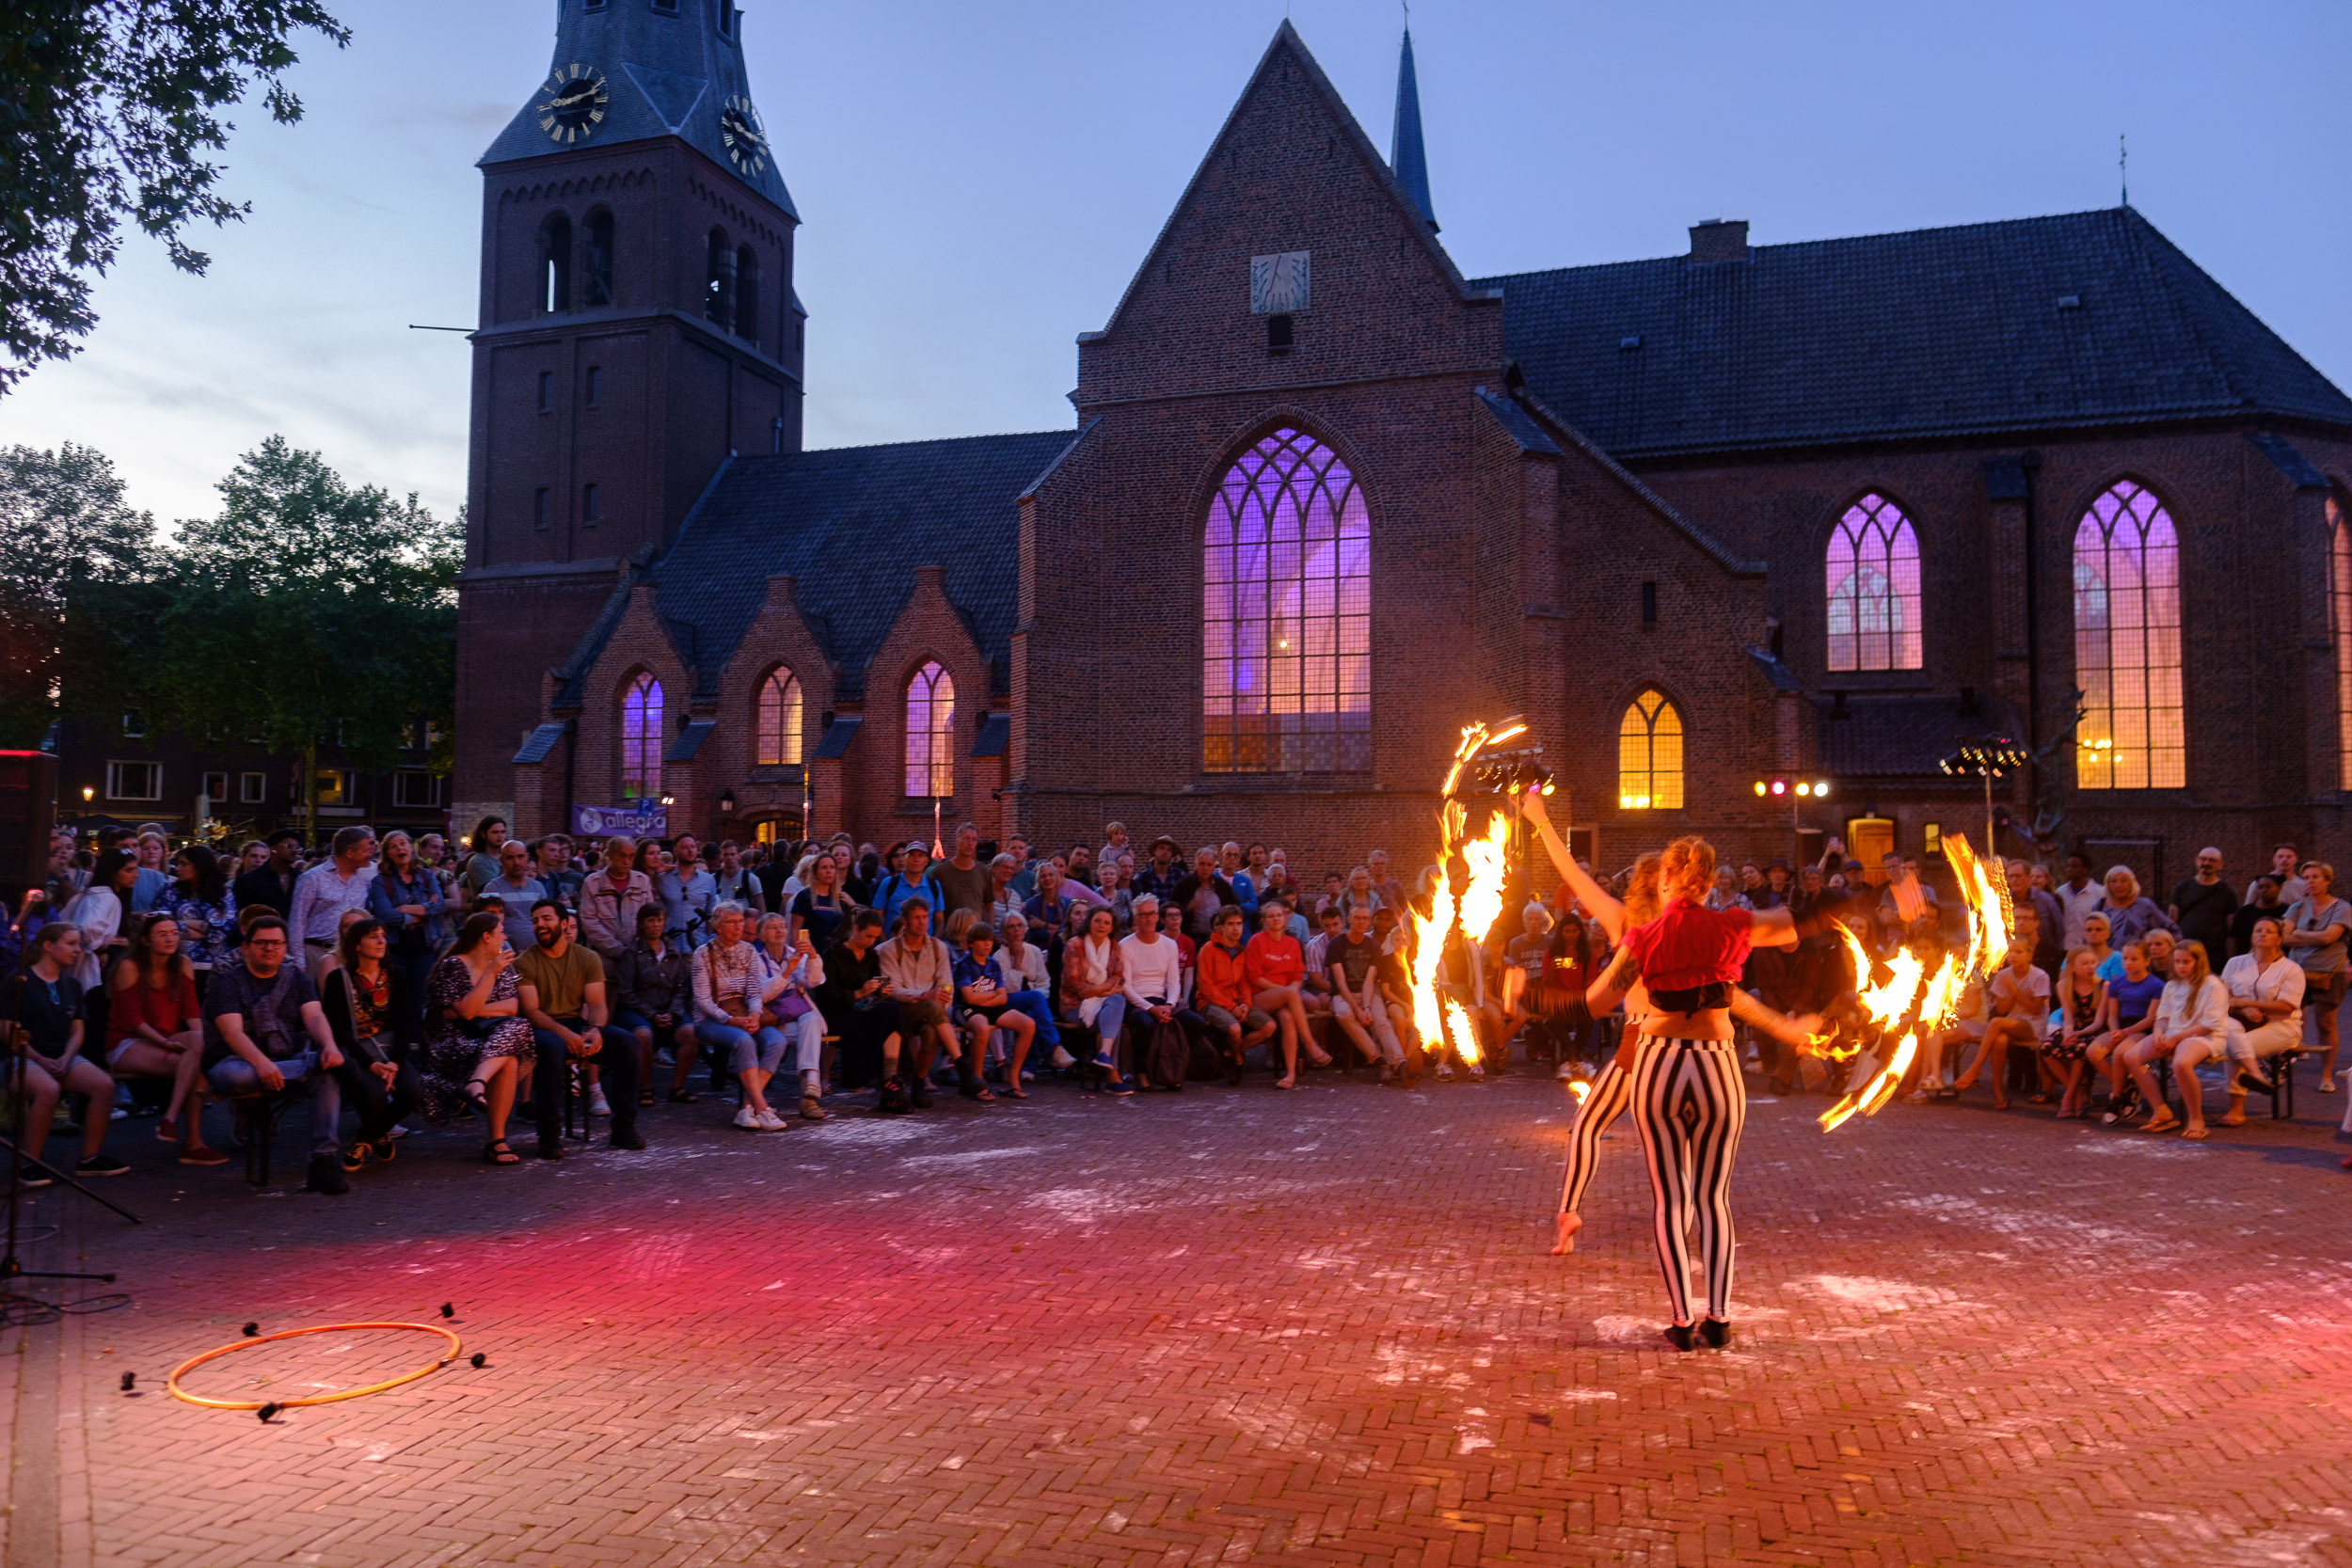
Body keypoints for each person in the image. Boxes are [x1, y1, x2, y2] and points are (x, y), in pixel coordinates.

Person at [1581, 834, 1804, 1350]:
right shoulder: (1732, 923)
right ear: (1710, 884)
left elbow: (1592, 1004)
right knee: (1713, 1199)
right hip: (1717, 1066)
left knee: (1669, 1199)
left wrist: (1530, 997)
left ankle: (1682, 1321)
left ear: (1664, 880)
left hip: (1659, 1064)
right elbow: (1793, 924)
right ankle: (1720, 1318)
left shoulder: (1643, 936)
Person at [200, 914, 357, 1195]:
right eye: (261, 942)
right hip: (237, 1064)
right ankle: (311, 1067)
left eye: (276, 943)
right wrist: (261, 1064)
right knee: (237, 1075)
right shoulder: (227, 983)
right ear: (246, 947)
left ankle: (323, 1162)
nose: (269, 948)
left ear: (285, 947)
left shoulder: (296, 978)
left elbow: (315, 1017)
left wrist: (330, 1046)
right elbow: (232, 1033)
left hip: (286, 1059)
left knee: (327, 1074)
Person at [516, 898, 644, 1151]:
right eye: (535, 921)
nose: (539, 925)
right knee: (551, 1048)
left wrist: (595, 1030)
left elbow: (596, 1003)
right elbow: (531, 1012)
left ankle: (623, 1128)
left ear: (564, 924)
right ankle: (549, 1134)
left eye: (546, 919)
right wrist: (566, 1035)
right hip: (543, 1029)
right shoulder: (524, 962)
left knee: (627, 1043)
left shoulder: (587, 957)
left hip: (577, 1023)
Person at [5, 925, 130, 1183]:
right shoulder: (18, 980)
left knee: (103, 1085)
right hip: (22, 1056)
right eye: (71, 944)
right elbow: (7, 1031)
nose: (77, 950)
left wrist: (66, 1056)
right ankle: (30, 1164)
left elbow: (77, 1028)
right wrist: (40, 1059)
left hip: (61, 1055)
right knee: (48, 1090)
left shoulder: (71, 984)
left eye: (78, 944)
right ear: (49, 946)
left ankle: (89, 1159)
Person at [413, 911, 532, 1163]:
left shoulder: (501, 964)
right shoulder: (454, 965)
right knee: (508, 1056)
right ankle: (496, 1141)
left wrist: (471, 1010)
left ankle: (477, 1086)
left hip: (486, 1038)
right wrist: (488, 976)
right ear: (486, 937)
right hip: (448, 1044)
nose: (505, 936)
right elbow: (465, 1013)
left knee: (519, 1026)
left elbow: (511, 1006)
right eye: (501, 932)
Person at [104, 914, 225, 1164]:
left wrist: (199, 1042)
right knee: (196, 1070)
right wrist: (165, 1043)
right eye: (162, 934)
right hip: (127, 1041)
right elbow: (133, 1021)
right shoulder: (130, 966)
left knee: (197, 1044)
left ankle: (180, 1129)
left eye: (174, 933)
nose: (170, 938)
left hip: (166, 1039)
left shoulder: (182, 963)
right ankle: (185, 1134)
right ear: (146, 940)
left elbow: (192, 1011)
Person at [318, 919, 423, 1174]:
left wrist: (395, 1063)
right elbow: (339, 1029)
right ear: (356, 945)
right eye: (373, 937)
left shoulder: (396, 976)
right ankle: (381, 1135)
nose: (381, 941)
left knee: (412, 1091)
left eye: (383, 935)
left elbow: (404, 1023)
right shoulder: (339, 979)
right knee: (372, 1093)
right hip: (357, 1049)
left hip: (390, 1049)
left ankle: (366, 1137)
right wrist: (369, 1063)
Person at [2117, 941, 2232, 1137]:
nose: (2180, 966)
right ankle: (2161, 1110)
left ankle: (2196, 1118)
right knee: (2130, 1057)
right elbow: (2163, 1017)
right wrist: (2160, 1032)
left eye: (2186, 962)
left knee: (2181, 1063)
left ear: (2199, 961)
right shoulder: (2172, 985)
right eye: (2177, 962)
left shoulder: (2213, 985)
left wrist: (2176, 1037)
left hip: (2204, 1036)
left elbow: (2208, 1024)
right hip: (2173, 1034)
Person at [2211, 917, 2303, 1128]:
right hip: (2241, 1022)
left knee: (2239, 1048)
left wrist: (2252, 1003)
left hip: (2282, 1026)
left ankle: (2236, 1109)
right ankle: (2256, 1076)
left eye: (2269, 931)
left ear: (2279, 939)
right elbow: (2221, 996)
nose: (2263, 934)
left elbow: (2287, 1006)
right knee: (2236, 1039)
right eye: (2258, 930)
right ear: (2252, 936)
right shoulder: (2236, 963)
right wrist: (2243, 1007)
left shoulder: (2291, 969)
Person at [612, 904, 699, 1104]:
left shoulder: (672, 951)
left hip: (668, 1010)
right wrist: (652, 1015)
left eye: (659, 920)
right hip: (637, 1011)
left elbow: (681, 988)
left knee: (691, 1034)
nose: (656, 925)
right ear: (642, 924)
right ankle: (645, 1088)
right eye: (651, 920)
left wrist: (672, 1012)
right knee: (643, 1035)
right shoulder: (631, 953)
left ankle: (677, 1087)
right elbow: (626, 992)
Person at [878, 897, 959, 1106]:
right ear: (905, 921)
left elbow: (946, 985)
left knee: (932, 1030)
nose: (922, 922)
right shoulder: (888, 949)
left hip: (931, 1012)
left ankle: (919, 1083)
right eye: (916, 918)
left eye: (925, 917)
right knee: (932, 1007)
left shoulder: (937, 947)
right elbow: (894, 991)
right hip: (902, 1010)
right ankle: (961, 1064)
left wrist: (939, 1005)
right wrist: (924, 995)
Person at [1952, 940, 2049, 1111]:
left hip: (2033, 1026)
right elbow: (2002, 1009)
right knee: (2000, 1041)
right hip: (2009, 1022)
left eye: (2018, 952)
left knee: (1996, 1022)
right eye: (2010, 952)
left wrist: (2014, 990)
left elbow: (2035, 1009)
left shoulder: (2040, 976)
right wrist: (2013, 991)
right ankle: (1999, 1095)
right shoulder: (2004, 975)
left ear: (2029, 955)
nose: (2013, 956)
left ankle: (1975, 1068)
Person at [750, 912, 829, 1119]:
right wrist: (787, 972)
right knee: (809, 1030)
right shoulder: (755, 961)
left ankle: (810, 1084)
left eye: (783, 926)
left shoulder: (795, 953)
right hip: (773, 1021)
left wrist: (812, 956)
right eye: (772, 927)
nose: (779, 930)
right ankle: (809, 1097)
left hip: (796, 1019)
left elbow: (813, 981)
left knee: (811, 1019)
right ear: (761, 935)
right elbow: (762, 995)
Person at [814, 909, 901, 1096]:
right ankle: (856, 1076)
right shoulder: (834, 955)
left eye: (875, 937)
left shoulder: (871, 956)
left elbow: (874, 991)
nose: (871, 941)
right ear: (856, 929)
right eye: (868, 936)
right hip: (837, 1011)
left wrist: (881, 992)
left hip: (863, 1008)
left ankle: (889, 1075)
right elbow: (827, 997)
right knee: (863, 1022)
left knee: (892, 1010)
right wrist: (859, 992)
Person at [2280, 863, 2348, 1091]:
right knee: (2284, 1019)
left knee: (2326, 1023)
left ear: (2327, 880)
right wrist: (2306, 936)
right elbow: (2285, 939)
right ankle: (2279, 1070)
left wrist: (2299, 934)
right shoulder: (2297, 908)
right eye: (2306, 877)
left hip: (2330, 971)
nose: (2310, 881)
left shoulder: (2342, 907)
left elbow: (2330, 937)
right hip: (2296, 972)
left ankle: (2326, 1076)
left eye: (2315, 877)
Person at [1118, 895, 1199, 1085]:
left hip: (1163, 1000)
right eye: (1143, 914)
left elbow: (1173, 981)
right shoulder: (1125, 945)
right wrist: (1151, 1009)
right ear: (1135, 918)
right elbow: (1126, 986)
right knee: (1146, 1024)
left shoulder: (1169, 944)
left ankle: (1174, 1066)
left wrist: (1170, 1004)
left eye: (1151, 913)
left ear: (1157, 916)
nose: (1147, 918)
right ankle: (1142, 1071)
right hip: (1136, 1001)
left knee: (1196, 1023)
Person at [1244, 899, 1321, 1086]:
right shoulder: (1257, 941)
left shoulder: (1293, 943)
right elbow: (1254, 977)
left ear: (1286, 918)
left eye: (1279, 915)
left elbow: (1298, 976)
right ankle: (1310, 1044)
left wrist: (1290, 992)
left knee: (1287, 1018)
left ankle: (1290, 1074)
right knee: (1291, 995)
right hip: (1261, 996)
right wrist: (1285, 992)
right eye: (1271, 916)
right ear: (1264, 921)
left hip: (1285, 998)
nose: (1276, 919)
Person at [1197, 905, 1276, 1085]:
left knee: (1269, 1026)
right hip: (1210, 1003)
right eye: (1230, 924)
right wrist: (1231, 1007)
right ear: (1221, 927)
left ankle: (1231, 1052)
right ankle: (1237, 1060)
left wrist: (1246, 1004)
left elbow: (1244, 982)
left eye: (1239, 924)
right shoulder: (1208, 949)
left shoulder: (1242, 951)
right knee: (1234, 1029)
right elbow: (1205, 986)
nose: (1235, 928)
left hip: (1237, 1002)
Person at [2088, 941, 2167, 1121]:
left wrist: (2126, 1032)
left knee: (2119, 1054)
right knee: (2093, 1052)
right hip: (2121, 1027)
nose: (2128, 963)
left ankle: (2115, 1097)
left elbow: (2150, 1018)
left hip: (2142, 1028)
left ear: (2147, 961)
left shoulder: (2156, 985)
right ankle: (2130, 1087)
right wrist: (2115, 1030)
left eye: (2134, 959)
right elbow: (2113, 1014)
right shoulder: (2116, 984)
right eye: (2125, 958)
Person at [951, 927, 1031, 1098]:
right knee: (982, 1027)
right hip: (964, 1009)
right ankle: (977, 1080)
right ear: (971, 943)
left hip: (991, 1006)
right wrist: (992, 994)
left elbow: (1003, 998)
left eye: (989, 939)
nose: (987, 943)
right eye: (982, 940)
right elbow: (968, 999)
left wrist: (983, 997)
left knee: (1028, 1025)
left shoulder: (993, 964)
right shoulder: (964, 965)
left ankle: (1013, 1075)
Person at [1061, 905, 1134, 1094]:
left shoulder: (1115, 947)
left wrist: (1100, 991)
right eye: (1097, 921)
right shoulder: (1074, 945)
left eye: (1106, 923)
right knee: (1113, 1013)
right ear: (1089, 922)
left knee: (1117, 1002)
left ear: (1112, 927)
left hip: (1105, 1002)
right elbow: (1074, 985)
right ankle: (1112, 1076)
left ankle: (1104, 1054)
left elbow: (1118, 977)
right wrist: (1101, 990)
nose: (1102, 926)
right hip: (1074, 1006)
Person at [2041, 947, 2106, 1119]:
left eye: (2093, 962)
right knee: (2046, 1048)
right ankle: (2075, 1092)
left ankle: (2068, 1097)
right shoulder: (2063, 985)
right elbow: (2068, 1017)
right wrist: (2069, 1032)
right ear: (2071, 967)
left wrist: (2079, 1033)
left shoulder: (2103, 986)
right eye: (2084, 963)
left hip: (2094, 1030)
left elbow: (2099, 1021)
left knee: (2079, 1050)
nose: (2090, 967)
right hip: (2075, 1028)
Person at [62, 847, 136, 994]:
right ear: (112, 873)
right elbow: (87, 929)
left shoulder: (87, 896)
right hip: (96, 971)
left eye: (136, 869)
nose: (136, 875)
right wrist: (102, 946)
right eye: (129, 870)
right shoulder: (106, 897)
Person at [576, 834, 656, 965]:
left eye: (631, 856)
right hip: (603, 959)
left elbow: (649, 918)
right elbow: (590, 922)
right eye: (622, 855)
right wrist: (619, 950)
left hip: (637, 960)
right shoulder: (593, 883)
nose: (626, 861)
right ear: (610, 855)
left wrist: (638, 950)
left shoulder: (642, 881)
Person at [166, 844, 237, 990]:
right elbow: (161, 925)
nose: (177, 868)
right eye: (177, 863)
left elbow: (222, 932)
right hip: (176, 966)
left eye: (183, 864)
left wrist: (182, 922)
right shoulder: (169, 892)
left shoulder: (224, 894)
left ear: (200, 867)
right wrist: (206, 927)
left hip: (215, 968)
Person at [2168, 847, 2239, 962]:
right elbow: (2172, 922)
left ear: (2220, 865)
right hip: (2185, 949)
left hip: (2214, 953)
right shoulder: (2182, 887)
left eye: (2212, 860)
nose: (2206, 863)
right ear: (2196, 861)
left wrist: (2231, 958)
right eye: (2203, 859)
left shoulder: (2227, 892)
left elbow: (2231, 929)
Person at [482, 839, 550, 955]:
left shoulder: (538, 887)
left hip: (537, 952)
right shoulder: (493, 888)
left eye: (520, 856)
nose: (516, 862)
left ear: (527, 857)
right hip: (505, 953)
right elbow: (487, 924)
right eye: (510, 858)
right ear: (502, 860)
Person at [657, 835, 717, 952]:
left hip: (698, 944)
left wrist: (708, 941)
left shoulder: (708, 880)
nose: (690, 851)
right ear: (675, 851)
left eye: (693, 847)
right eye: (685, 847)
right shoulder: (663, 880)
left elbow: (711, 915)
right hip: (670, 944)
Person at [2091, 866, 2175, 949]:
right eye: (2113, 881)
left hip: (2138, 958)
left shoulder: (2145, 905)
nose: (2118, 885)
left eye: (2123, 881)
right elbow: (2090, 933)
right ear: (2108, 885)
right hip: (2107, 960)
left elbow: (2170, 930)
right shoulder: (2100, 906)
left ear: (2132, 883)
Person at [789, 851, 853, 954]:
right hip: (812, 955)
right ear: (815, 871)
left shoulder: (840, 898)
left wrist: (852, 904)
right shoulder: (805, 896)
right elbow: (795, 930)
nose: (829, 871)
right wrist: (796, 957)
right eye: (824, 868)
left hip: (835, 957)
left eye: (832, 867)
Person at [233, 831, 303, 922]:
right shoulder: (248, 880)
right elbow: (242, 915)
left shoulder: (301, 878)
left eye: (297, 848)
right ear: (273, 849)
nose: (294, 851)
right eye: (289, 846)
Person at [931, 822, 991, 926]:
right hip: (950, 933)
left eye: (974, 839)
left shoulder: (984, 871)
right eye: (966, 838)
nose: (970, 843)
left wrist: (988, 931)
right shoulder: (940, 872)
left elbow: (989, 907)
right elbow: (934, 907)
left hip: (976, 934)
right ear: (957, 841)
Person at [871, 842, 939, 930]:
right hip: (893, 941)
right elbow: (876, 917)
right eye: (911, 855)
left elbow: (939, 920)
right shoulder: (888, 884)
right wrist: (885, 943)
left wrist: (934, 942)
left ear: (926, 861)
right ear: (905, 859)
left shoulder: (934, 886)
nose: (916, 859)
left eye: (920, 855)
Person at [2230, 875, 2289, 959]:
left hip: (2277, 961)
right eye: (2260, 887)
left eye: (2268, 887)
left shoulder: (2287, 912)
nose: (2264, 890)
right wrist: (2232, 958)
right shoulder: (2245, 912)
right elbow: (2233, 937)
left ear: (2279, 888)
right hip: (2246, 961)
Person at [2055, 852, 2104, 949]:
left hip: (2089, 948)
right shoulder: (2060, 892)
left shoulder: (2100, 893)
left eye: (2074, 866)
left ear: (2086, 870)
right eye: (2068, 866)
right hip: (2064, 948)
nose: (2069, 869)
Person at [710, 839, 761, 913]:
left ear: (739, 856)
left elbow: (761, 907)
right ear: (721, 856)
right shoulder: (713, 879)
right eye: (725, 854)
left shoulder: (751, 879)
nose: (729, 857)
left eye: (732, 854)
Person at [2247, 844, 2306, 909]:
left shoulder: (2303, 886)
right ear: (2274, 860)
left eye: (2289, 857)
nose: (2284, 860)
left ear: (2296, 860)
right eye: (2280, 857)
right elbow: (2247, 910)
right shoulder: (2259, 885)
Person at [463, 816, 508, 895]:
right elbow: (492, 891)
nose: (500, 836)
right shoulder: (478, 861)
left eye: (503, 832)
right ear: (483, 834)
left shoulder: (509, 857)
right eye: (495, 832)